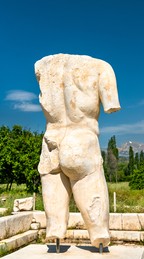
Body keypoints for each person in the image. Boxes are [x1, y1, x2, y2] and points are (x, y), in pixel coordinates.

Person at [35, 54, 121, 249]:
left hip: (50, 141)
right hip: (81, 141)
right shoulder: (101, 67)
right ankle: (98, 234)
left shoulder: (42, 66)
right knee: (98, 226)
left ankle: (55, 230)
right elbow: (111, 105)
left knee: (54, 219)